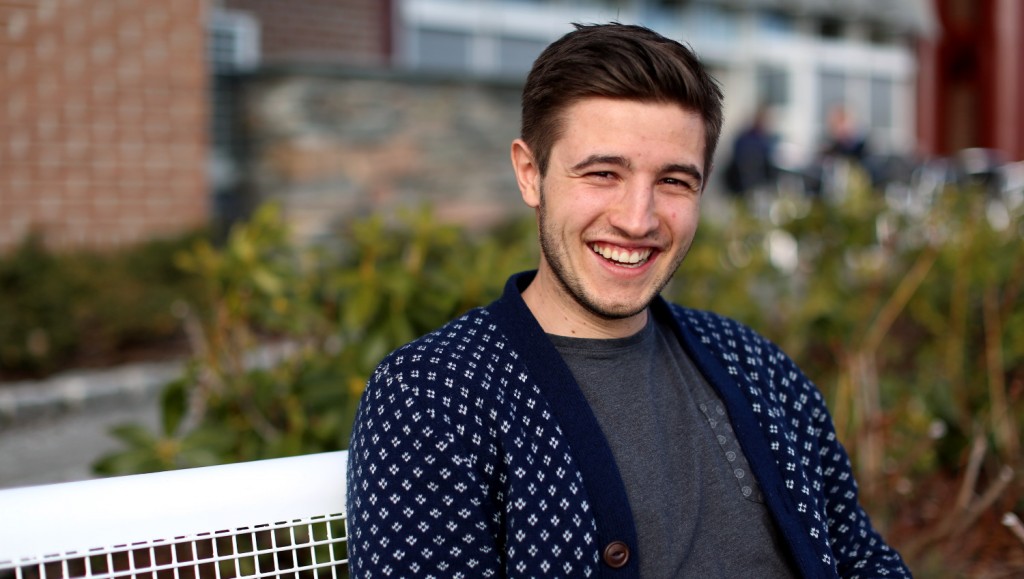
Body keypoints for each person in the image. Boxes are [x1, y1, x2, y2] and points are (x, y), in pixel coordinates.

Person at [347, 23, 910, 578]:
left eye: (674, 182)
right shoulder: (433, 395)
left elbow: (863, 558)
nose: (637, 220)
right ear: (530, 174)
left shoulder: (757, 366)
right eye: (603, 173)